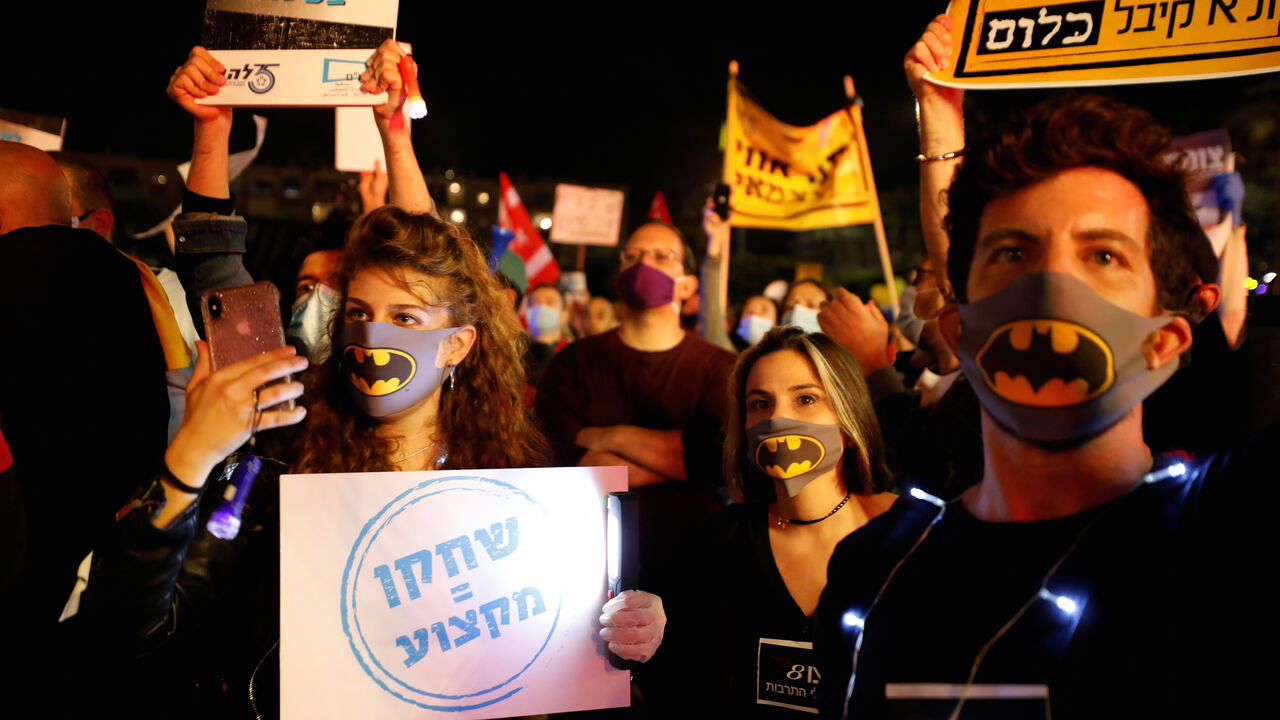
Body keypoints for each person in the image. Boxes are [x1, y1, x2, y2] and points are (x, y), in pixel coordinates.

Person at [83, 43, 664, 717]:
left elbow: (559, 655)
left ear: (457, 346)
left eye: (404, 317)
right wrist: (213, 135)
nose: (372, 334)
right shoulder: (276, 461)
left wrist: (628, 629)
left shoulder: (513, 482)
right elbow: (132, 630)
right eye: (357, 312)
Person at [813, 82, 1273, 719]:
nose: (1051, 283)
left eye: (1103, 254)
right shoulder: (875, 566)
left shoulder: (1236, 530)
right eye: (1013, 251)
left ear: (1163, 343)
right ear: (958, 328)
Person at [653, 326, 894, 716]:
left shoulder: (908, 538)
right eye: (760, 403)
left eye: (805, 398)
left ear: (849, 421)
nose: (778, 417)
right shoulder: (720, 543)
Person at [537, 219, 736, 593]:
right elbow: (563, 458)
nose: (645, 264)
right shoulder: (573, 363)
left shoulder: (720, 368)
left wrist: (611, 436)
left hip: (693, 562)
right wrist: (681, 464)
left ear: (689, 286)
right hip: (584, 561)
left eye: (662, 256)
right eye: (632, 256)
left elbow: (718, 460)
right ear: (619, 276)